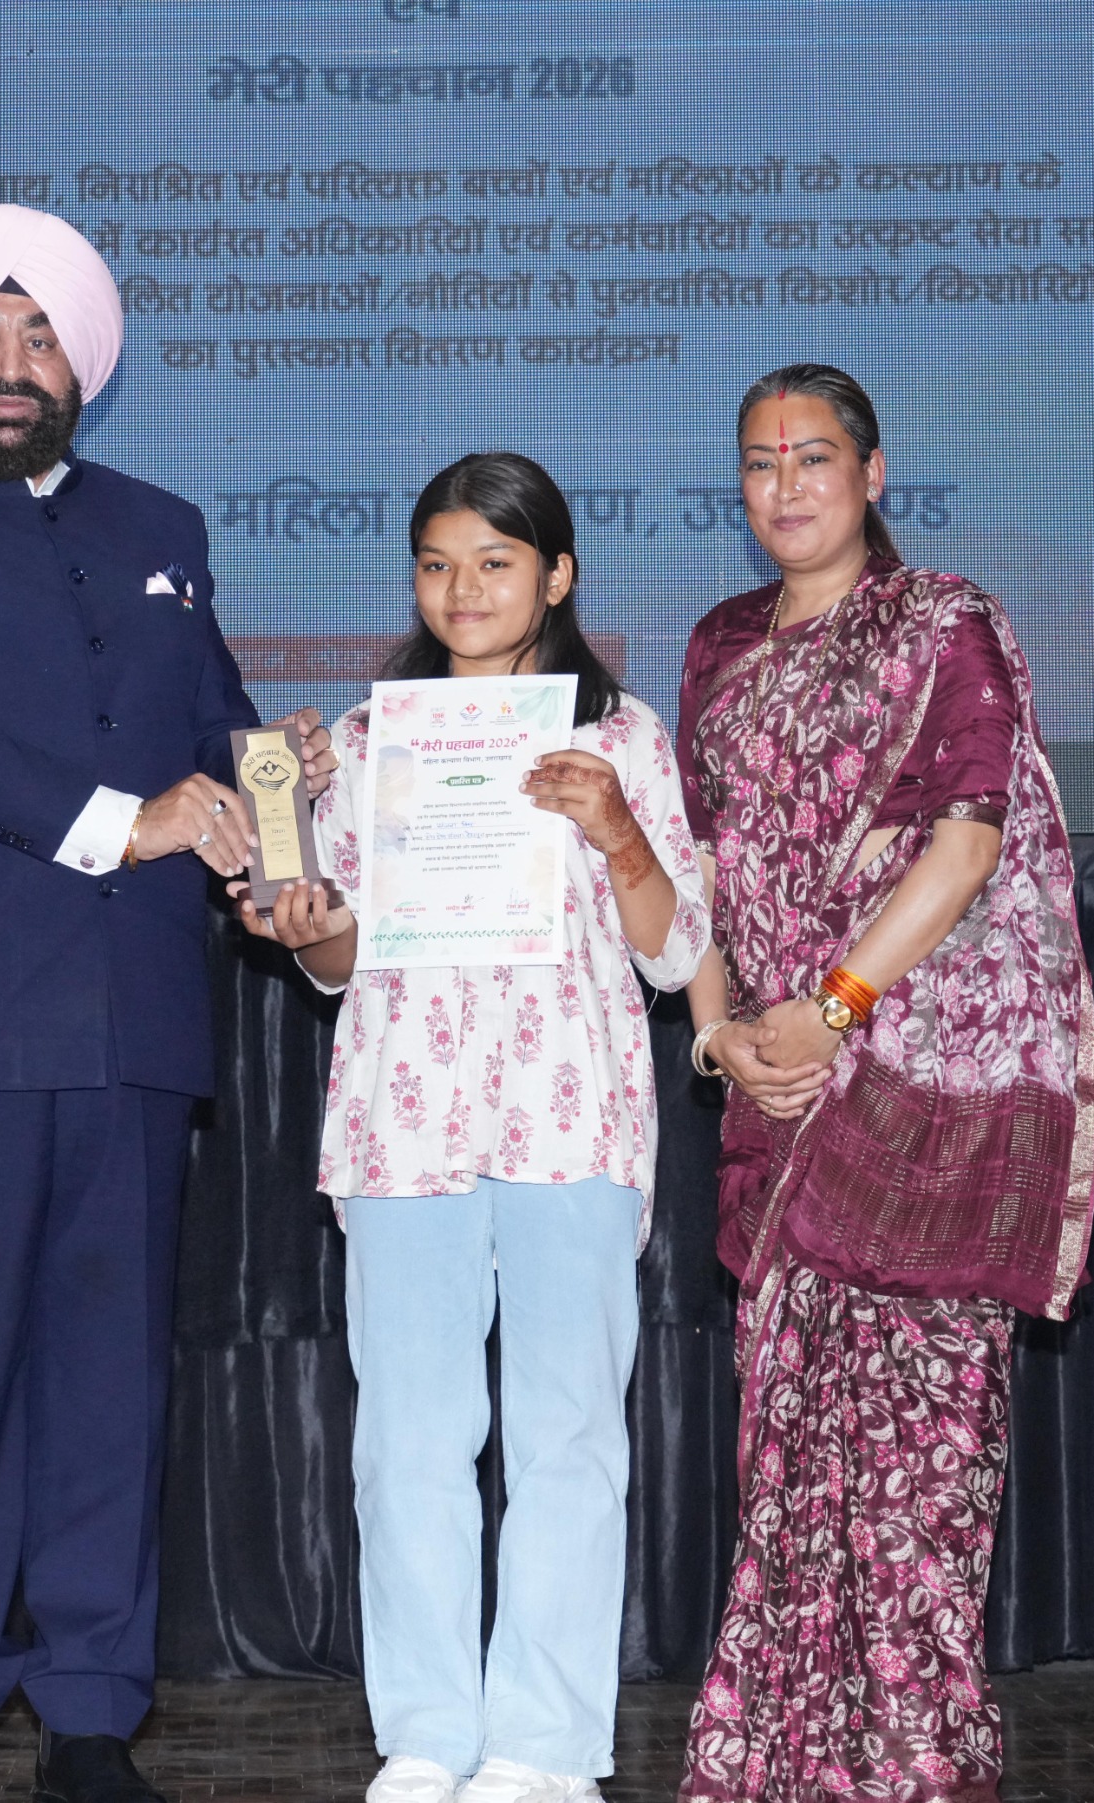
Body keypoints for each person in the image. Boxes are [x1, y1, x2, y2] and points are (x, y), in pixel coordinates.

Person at [0, 204, 333, 1803]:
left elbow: (219, 733)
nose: (11, 364)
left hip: (136, 1019)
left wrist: (288, 812)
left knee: (110, 1382)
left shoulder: (163, 523)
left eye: (39, 336)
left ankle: (95, 1716)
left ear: (83, 363)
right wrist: (128, 822)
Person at [238, 452, 709, 1803]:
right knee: (407, 1442)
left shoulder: (622, 740)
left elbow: (678, 954)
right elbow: (335, 960)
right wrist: (310, 925)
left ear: (556, 577)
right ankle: (429, 1735)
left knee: (567, 1437)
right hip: (406, 1122)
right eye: (438, 565)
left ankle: (544, 1751)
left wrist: (618, 834)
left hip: (571, 1120)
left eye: (495, 563)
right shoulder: (368, 744)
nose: (463, 590)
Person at [673, 364, 1094, 1803]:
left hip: (917, 1098)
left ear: (871, 474)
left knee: (917, 1474)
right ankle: (782, 1763)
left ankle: (918, 1764)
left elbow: (970, 842)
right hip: (777, 1094)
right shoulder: (723, 643)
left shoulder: (940, 622)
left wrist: (833, 1008)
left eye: (813, 457)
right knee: (791, 1470)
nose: (784, 484)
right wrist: (727, 1032)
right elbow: (705, 869)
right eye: (759, 462)